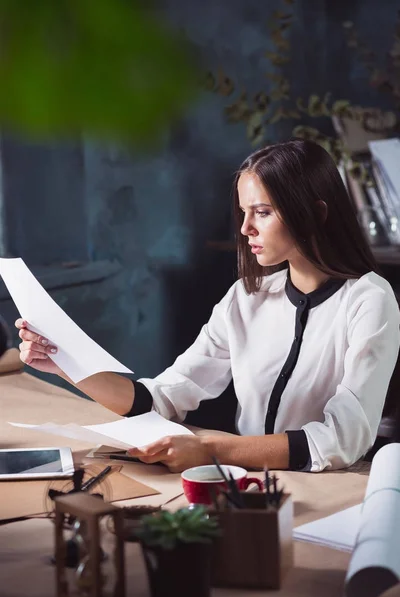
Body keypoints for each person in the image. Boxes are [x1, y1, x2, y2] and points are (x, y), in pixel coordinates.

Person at [16, 139, 400, 473]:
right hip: (246, 483)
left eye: (262, 212)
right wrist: (62, 362)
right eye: (244, 212)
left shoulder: (369, 300)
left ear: (316, 213)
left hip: (331, 490)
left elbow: (343, 437)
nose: (246, 228)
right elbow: (164, 396)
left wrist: (212, 450)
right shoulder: (246, 299)